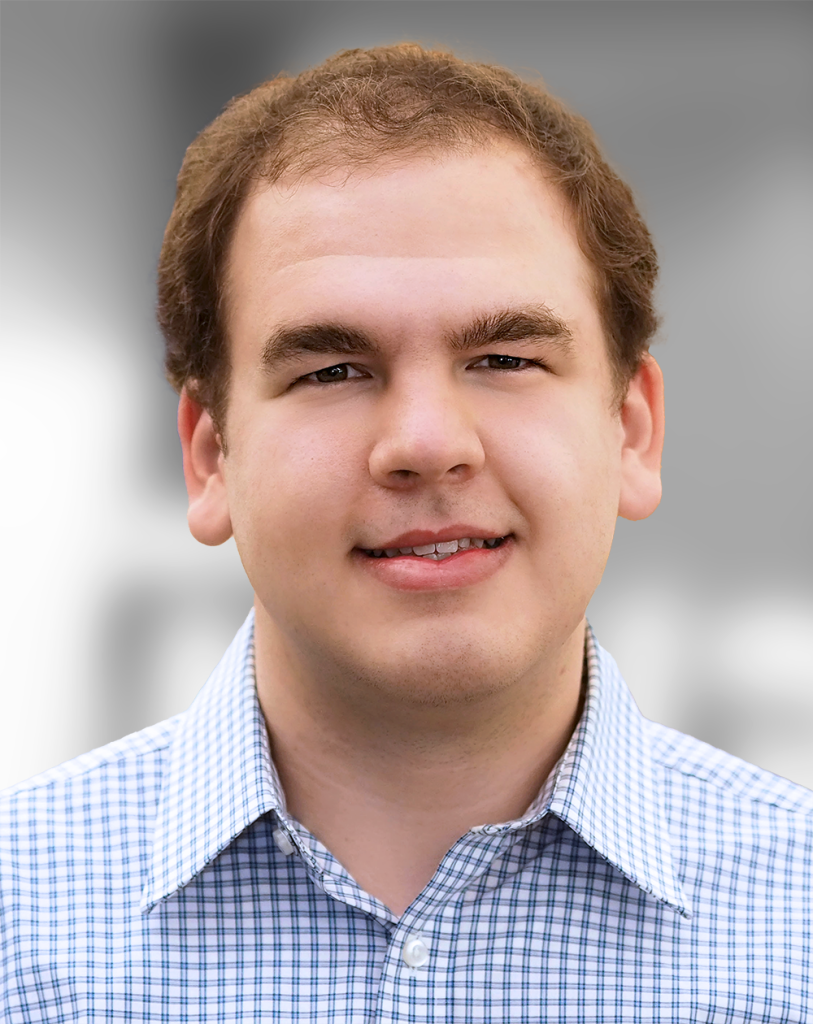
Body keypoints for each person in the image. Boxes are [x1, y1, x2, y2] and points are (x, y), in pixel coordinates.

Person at [1, 42, 810, 1022]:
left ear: (631, 429)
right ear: (210, 456)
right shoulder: (20, 927)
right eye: (333, 370)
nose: (426, 444)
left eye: (505, 358)